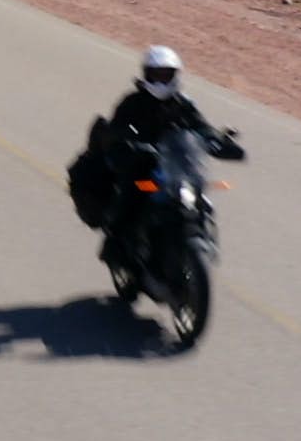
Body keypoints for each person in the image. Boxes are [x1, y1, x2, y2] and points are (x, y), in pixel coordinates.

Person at [100, 46, 243, 280]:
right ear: (146, 74)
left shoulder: (183, 103)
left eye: (166, 74)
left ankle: (200, 240)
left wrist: (217, 142)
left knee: (201, 199)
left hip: (174, 167)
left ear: (176, 75)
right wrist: (126, 141)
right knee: (132, 194)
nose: (161, 79)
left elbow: (200, 126)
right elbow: (116, 128)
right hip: (143, 169)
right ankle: (116, 246)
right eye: (156, 74)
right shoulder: (132, 102)